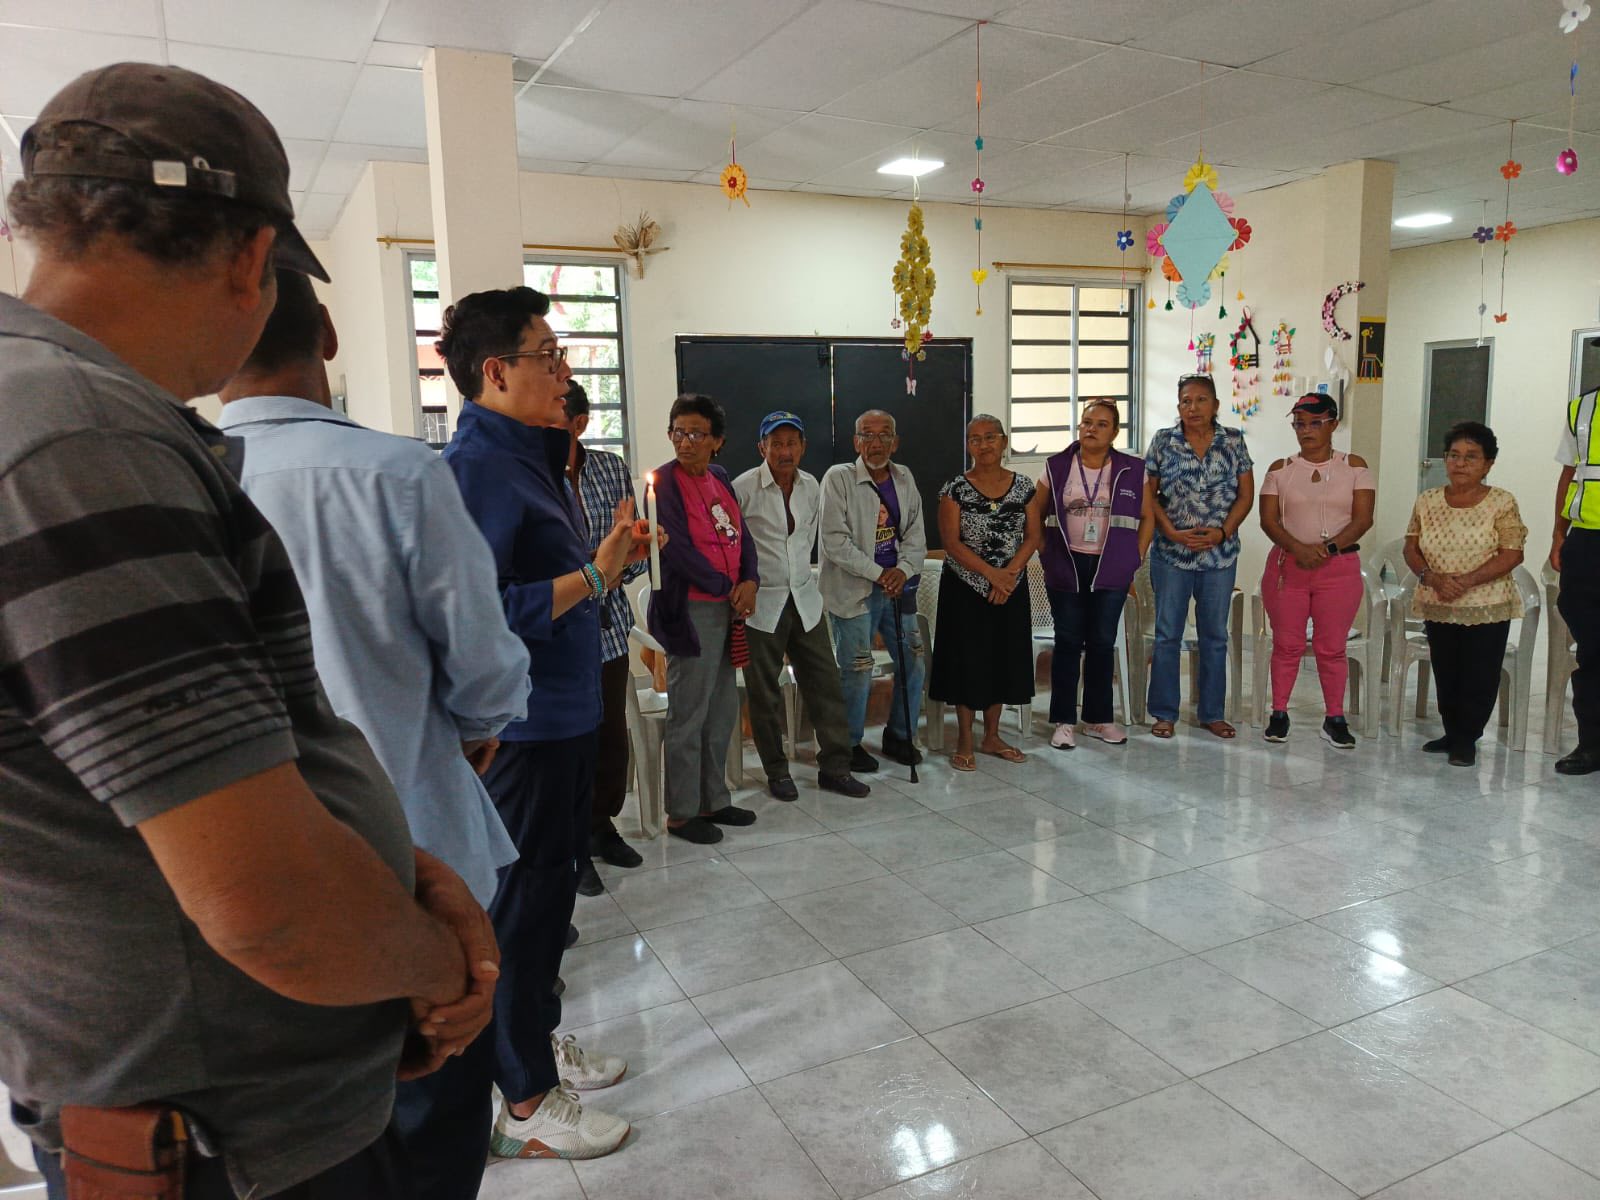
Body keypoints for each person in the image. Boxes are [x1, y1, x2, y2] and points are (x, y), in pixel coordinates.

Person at [2, 63, 486, 1198]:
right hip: (232, 1144)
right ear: (251, 258)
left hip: (214, 1113)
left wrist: (393, 872)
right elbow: (267, 905)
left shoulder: (64, 409)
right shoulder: (80, 441)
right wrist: (441, 967)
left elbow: (175, 782)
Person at [218, 272, 535, 1200]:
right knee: (432, 1111)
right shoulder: (397, 473)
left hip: (251, 871)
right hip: (412, 843)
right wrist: (475, 729)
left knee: (324, 1138)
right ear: (326, 332)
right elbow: (485, 665)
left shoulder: (182, 478)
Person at [440, 286, 654, 1160]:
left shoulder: (532, 456)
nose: (564, 372)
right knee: (523, 910)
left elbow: (560, 581)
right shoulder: (477, 469)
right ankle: (525, 1098)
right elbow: (481, 610)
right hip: (522, 729)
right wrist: (597, 575)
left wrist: (610, 564)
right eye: (548, 355)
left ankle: (535, 1041)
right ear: (496, 372)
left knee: (553, 899)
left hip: (564, 710)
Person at [733, 412, 871, 800]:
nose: (785, 451)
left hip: (806, 600)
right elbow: (733, 544)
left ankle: (836, 768)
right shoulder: (742, 488)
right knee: (764, 693)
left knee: (825, 684)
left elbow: (812, 538)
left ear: (803, 447)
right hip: (762, 604)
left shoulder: (812, 486)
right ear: (762, 448)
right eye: (776, 444)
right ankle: (777, 772)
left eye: (792, 443)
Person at [649, 394, 761, 843]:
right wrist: (724, 585)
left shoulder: (720, 477)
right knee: (689, 713)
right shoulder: (663, 482)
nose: (686, 442)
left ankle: (714, 799)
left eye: (697, 433)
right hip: (693, 609)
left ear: (717, 441)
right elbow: (674, 549)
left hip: (727, 606)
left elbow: (742, 534)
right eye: (678, 432)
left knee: (721, 710)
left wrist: (750, 579)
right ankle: (681, 812)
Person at [560, 381, 646, 897]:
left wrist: (626, 561)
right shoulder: (532, 477)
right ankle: (572, 847)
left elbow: (627, 547)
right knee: (570, 744)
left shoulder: (610, 470)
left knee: (610, 736)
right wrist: (598, 569)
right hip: (558, 633)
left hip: (608, 629)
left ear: (580, 424)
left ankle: (601, 825)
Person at [1403, 421, 1527, 767]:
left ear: (1488, 464)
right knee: (1446, 671)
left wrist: (1465, 581)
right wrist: (1432, 578)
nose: (1460, 463)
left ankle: (1467, 738)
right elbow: (1411, 547)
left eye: (1471, 456)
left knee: (1479, 674)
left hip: (1486, 604)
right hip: (1438, 600)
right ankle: (1452, 732)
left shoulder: (1501, 501)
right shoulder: (1427, 500)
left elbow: (1512, 553)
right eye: (1454, 455)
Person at [1257, 394, 1375, 749]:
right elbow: (1268, 520)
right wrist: (1298, 549)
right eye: (1299, 424)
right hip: (1288, 568)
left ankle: (1335, 717)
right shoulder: (1281, 469)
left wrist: (1327, 549)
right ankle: (1279, 713)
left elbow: (1363, 519)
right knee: (1287, 644)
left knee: (1331, 647)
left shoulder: (1354, 467)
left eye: (1315, 423)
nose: (1306, 431)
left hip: (1337, 570)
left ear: (1333, 424)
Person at [1142, 373, 1255, 739]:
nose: (1193, 407)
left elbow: (1246, 495)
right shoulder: (1164, 441)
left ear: (1215, 405)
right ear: (1179, 407)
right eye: (1186, 401)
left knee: (1215, 636)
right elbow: (1148, 494)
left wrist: (1223, 532)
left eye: (1201, 400)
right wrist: (1171, 531)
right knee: (1167, 635)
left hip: (1219, 556)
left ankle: (1212, 713)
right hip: (1172, 554)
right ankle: (1164, 713)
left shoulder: (1233, 441)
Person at [1036, 400, 1153, 751]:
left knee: (1102, 642)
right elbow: (1034, 512)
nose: (1092, 429)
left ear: (1114, 432)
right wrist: (1044, 551)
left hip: (1111, 566)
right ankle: (1064, 721)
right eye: (1087, 422)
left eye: (1102, 424)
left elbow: (1148, 516)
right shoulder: (1057, 465)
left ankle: (1099, 719)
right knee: (1068, 641)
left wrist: (1135, 556)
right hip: (1066, 565)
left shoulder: (1132, 468)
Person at [929, 415, 1043, 771]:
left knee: (1003, 659)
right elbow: (951, 543)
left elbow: (1033, 536)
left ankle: (992, 735)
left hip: (1011, 587)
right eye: (975, 439)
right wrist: (992, 575)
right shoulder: (955, 489)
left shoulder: (1024, 486)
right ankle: (965, 738)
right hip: (965, 588)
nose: (983, 444)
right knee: (967, 662)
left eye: (990, 437)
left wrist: (1008, 577)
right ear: (968, 446)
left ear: (1004, 441)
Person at [820, 410, 929, 770]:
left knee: (913, 661)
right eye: (867, 435)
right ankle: (848, 744)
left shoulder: (905, 478)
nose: (876, 442)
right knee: (857, 668)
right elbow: (835, 542)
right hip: (854, 590)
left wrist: (902, 571)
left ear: (895, 442)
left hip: (899, 589)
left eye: (885, 435)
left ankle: (899, 735)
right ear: (856, 442)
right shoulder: (838, 479)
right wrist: (880, 574)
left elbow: (915, 535)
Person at [1550, 386, 1600, 774]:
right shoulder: (1583, 408)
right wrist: (1558, 534)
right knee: (1592, 651)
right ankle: (1591, 746)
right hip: (1587, 543)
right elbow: (1570, 474)